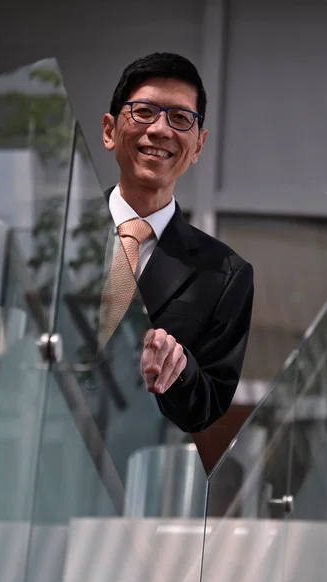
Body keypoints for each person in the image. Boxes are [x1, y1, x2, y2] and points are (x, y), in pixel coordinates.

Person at [100, 52, 254, 433]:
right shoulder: (57, 227)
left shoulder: (225, 275)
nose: (160, 130)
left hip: (131, 457)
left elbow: (210, 405)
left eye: (181, 118)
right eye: (144, 112)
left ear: (198, 146)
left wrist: (179, 367)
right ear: (109, 130)